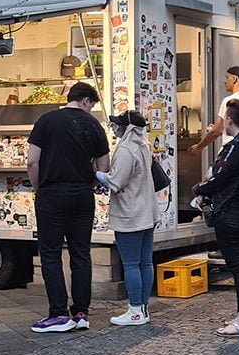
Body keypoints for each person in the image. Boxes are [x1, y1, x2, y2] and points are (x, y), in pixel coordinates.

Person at [27, 81, 110, 333]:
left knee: (51, 253)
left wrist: (39, 188)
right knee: (80, 253)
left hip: (52, 193)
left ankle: (59, 314)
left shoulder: (46, 121)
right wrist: (95, 179)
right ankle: (82, 312)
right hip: (82, 194)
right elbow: (104, 162)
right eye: (91, 105)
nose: (90, 110)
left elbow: (32, 161)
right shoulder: (92, 124)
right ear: (85, 100)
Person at [193, 98, 239, 336]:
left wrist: (200, 190)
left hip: (232, 209)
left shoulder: (235, 145)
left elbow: (221, 176)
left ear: (229, 119)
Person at [96, 110, 159, 326]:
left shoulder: (125, 149)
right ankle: (143, 308)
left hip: (130, 214)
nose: (115, 128)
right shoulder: (144, 146)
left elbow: (116, 182)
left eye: (118, 125)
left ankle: (134, 310)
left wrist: (98, 174)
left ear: (127, 127)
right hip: (147, 212)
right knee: (145, 262)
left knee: (131, 264)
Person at [189, 65, 239, 155]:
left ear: (234, 79)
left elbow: (217, 131)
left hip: (232, 152)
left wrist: (199, 147)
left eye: (227, 77)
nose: (225, 81)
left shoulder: (229, 101)